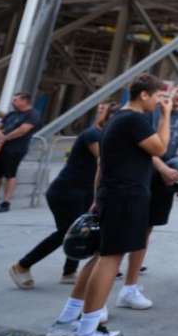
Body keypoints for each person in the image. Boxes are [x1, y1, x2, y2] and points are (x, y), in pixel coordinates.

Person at [44, 74, 171, 336]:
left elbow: (102, 163)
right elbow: (160, 147)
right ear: (144, 95)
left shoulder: (116, 119)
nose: (160, 102)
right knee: (110, 260)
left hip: (110, 195)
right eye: (158, 97)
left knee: (99, 257)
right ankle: (86, 332)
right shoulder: (135, 120)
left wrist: (97, 196)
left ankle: (66, 322)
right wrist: (166, 115)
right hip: (127, 197)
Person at [9, 101, 117, 288]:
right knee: (66, 233)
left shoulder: (105, 136)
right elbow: (106, 161)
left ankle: (69, 272)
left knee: (79, 231)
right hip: (66, 191)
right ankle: (22, 266)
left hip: (83, 192)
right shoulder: (93, 134)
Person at [117, 80, 178, 310]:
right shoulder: (151, 110)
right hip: (145, 173)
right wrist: (162, 168)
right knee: (129, 227)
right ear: (170, 91)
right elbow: (144, 146)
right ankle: (120, 276)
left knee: (147, 228)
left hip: (167, 177)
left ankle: (130, 284)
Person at [0, 92, 41, 212]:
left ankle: (6, 202)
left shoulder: (33, 114)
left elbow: (23, 130)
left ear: (25, 101)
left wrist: (4, 137)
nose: (13, 102)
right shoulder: (11, 114)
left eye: (15, 100)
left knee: (10, 175)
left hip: (15, 148)